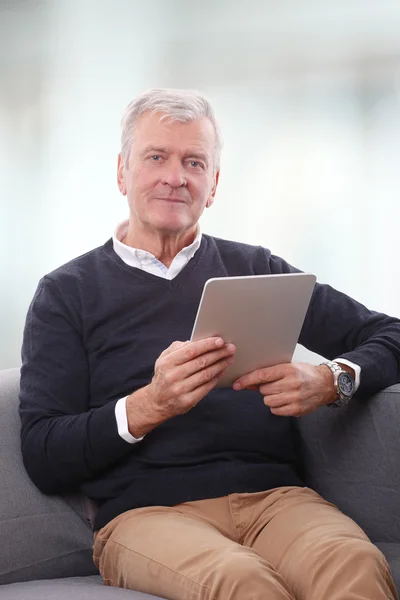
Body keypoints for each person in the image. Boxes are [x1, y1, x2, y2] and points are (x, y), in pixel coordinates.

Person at [19, 88, 400, 600]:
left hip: (278, 501)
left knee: (355, 566)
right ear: (122, 173)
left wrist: (332, 379)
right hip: (146, 515)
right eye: (156, 157)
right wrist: (148, 406)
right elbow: (45, 454)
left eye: (194, 162)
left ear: (213, 184)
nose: (175, 177)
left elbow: (390, 334)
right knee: (241, 582)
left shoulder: (256, 269)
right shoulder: (67, 293)